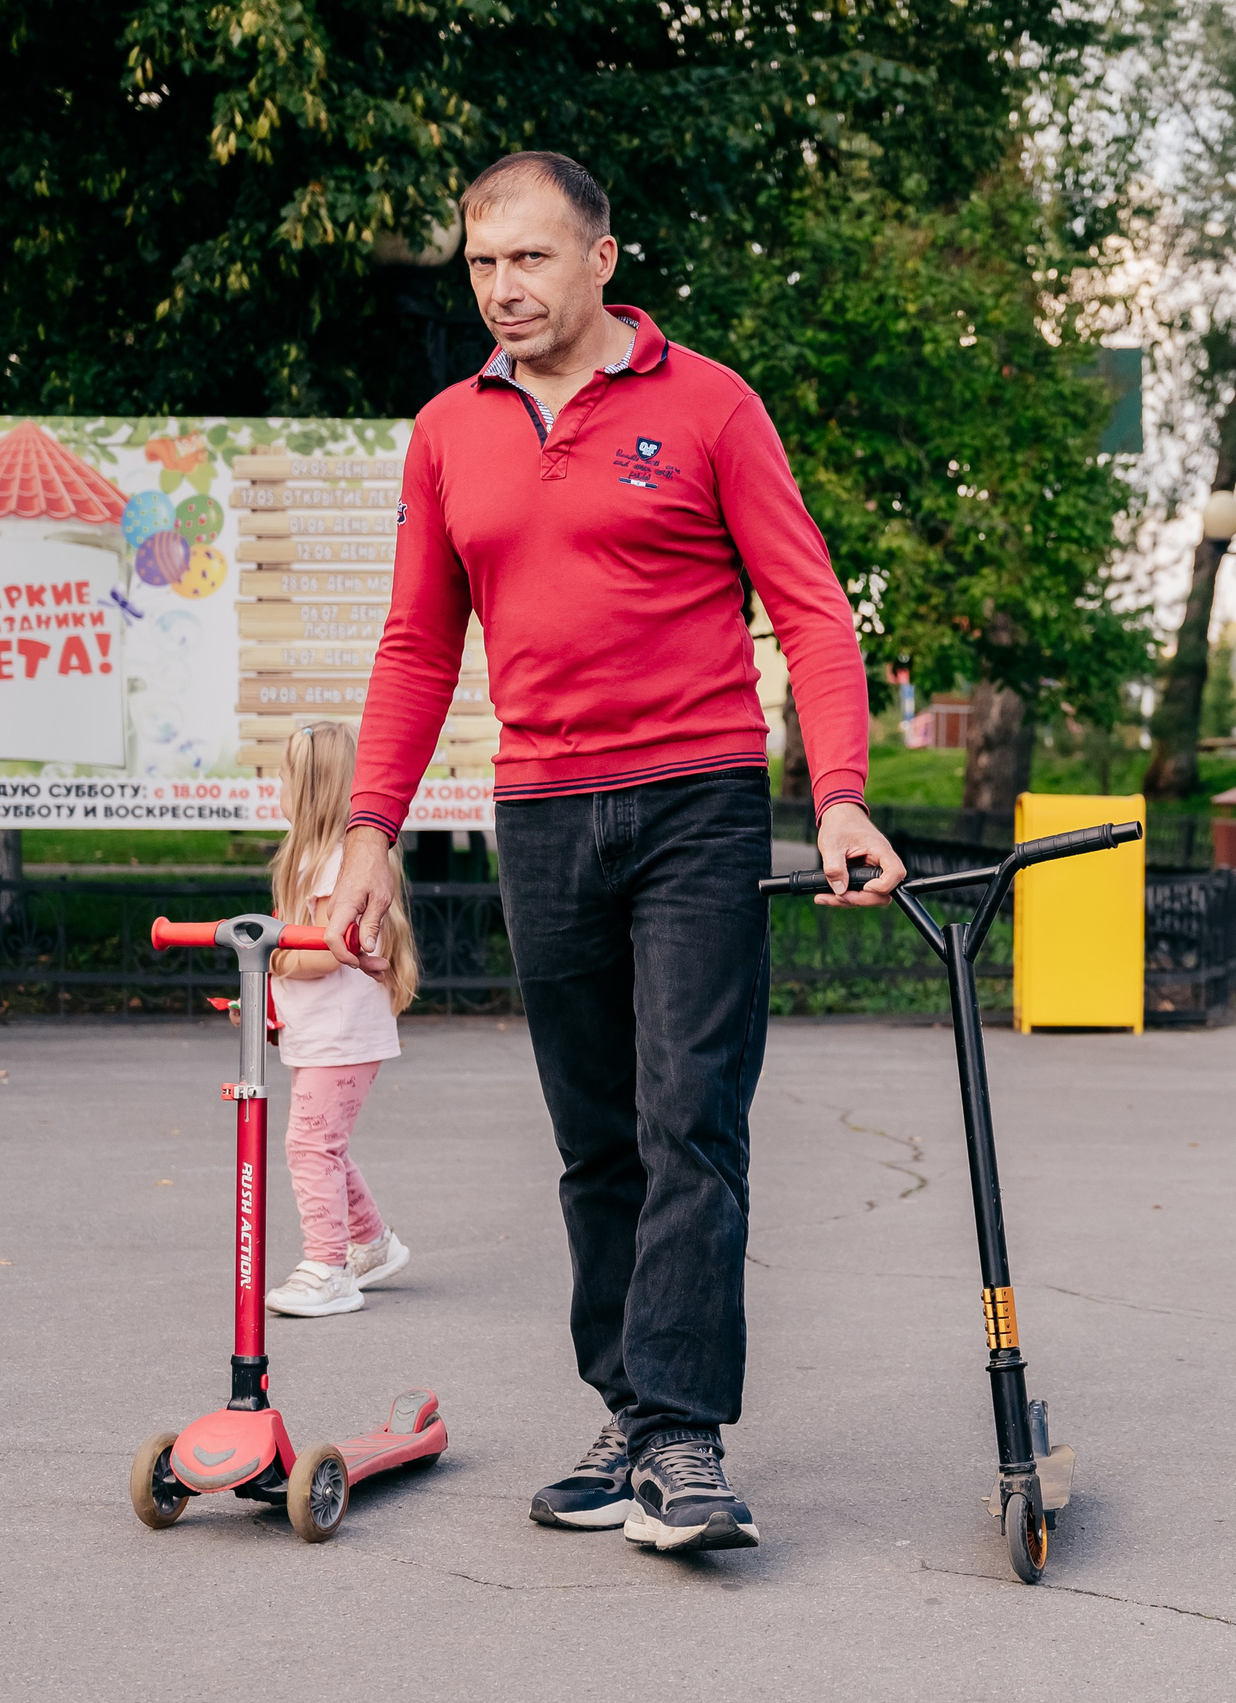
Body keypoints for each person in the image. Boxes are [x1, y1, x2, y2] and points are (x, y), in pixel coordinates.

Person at [322, 150, 903, 1555]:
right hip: (542, 810)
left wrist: (838, 793)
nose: (502, 288)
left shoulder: (708, 404)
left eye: (529, 258)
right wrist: (369, 831)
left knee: (688, 1115)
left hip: (699, 797)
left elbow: (811, 610)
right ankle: (631, 1412)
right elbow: (417, 643)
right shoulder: (447, 430)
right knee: (594, 1138)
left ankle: (683, 1432)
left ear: (601, 258)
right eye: (481, 263)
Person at [258, 721, 419, 1319]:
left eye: (284, 777)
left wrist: (273, 958)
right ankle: (372, 1245)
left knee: (310, 1146)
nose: (277, 787)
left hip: (341, 1035)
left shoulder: (334, 864)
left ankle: (328, 1268)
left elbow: (335, 948)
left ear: (310, 788)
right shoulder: (314, 859)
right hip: (324, 1034)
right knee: (324, 1143)